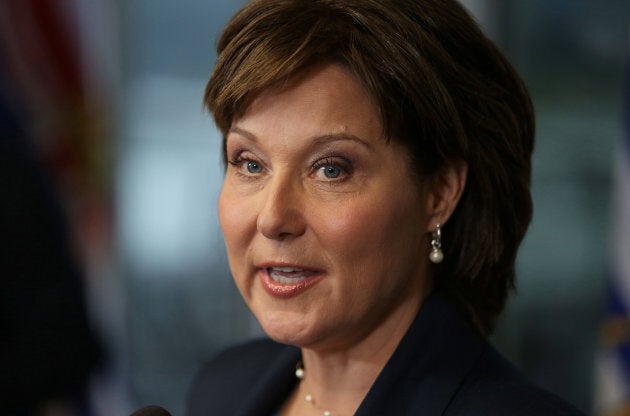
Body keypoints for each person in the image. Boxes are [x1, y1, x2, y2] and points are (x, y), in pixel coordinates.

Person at [187, 0, 585, 415]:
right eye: (251, 163)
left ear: (439, 194)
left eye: (331, 170)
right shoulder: (222, 387)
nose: (272, 219)